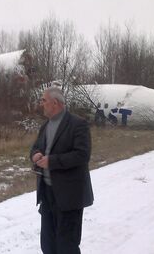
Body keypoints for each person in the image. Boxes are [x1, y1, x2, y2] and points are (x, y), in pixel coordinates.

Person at [30, 86, 94, 254]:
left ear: (55, 103)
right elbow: (36, 147)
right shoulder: (45, 126)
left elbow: (82, 155)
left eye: (44, 100)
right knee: (48, 245)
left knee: (67, 247)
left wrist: (51, 161)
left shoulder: (78, 124)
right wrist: (36, 155)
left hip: (69, 196)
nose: (41, 104)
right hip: (47, 194)